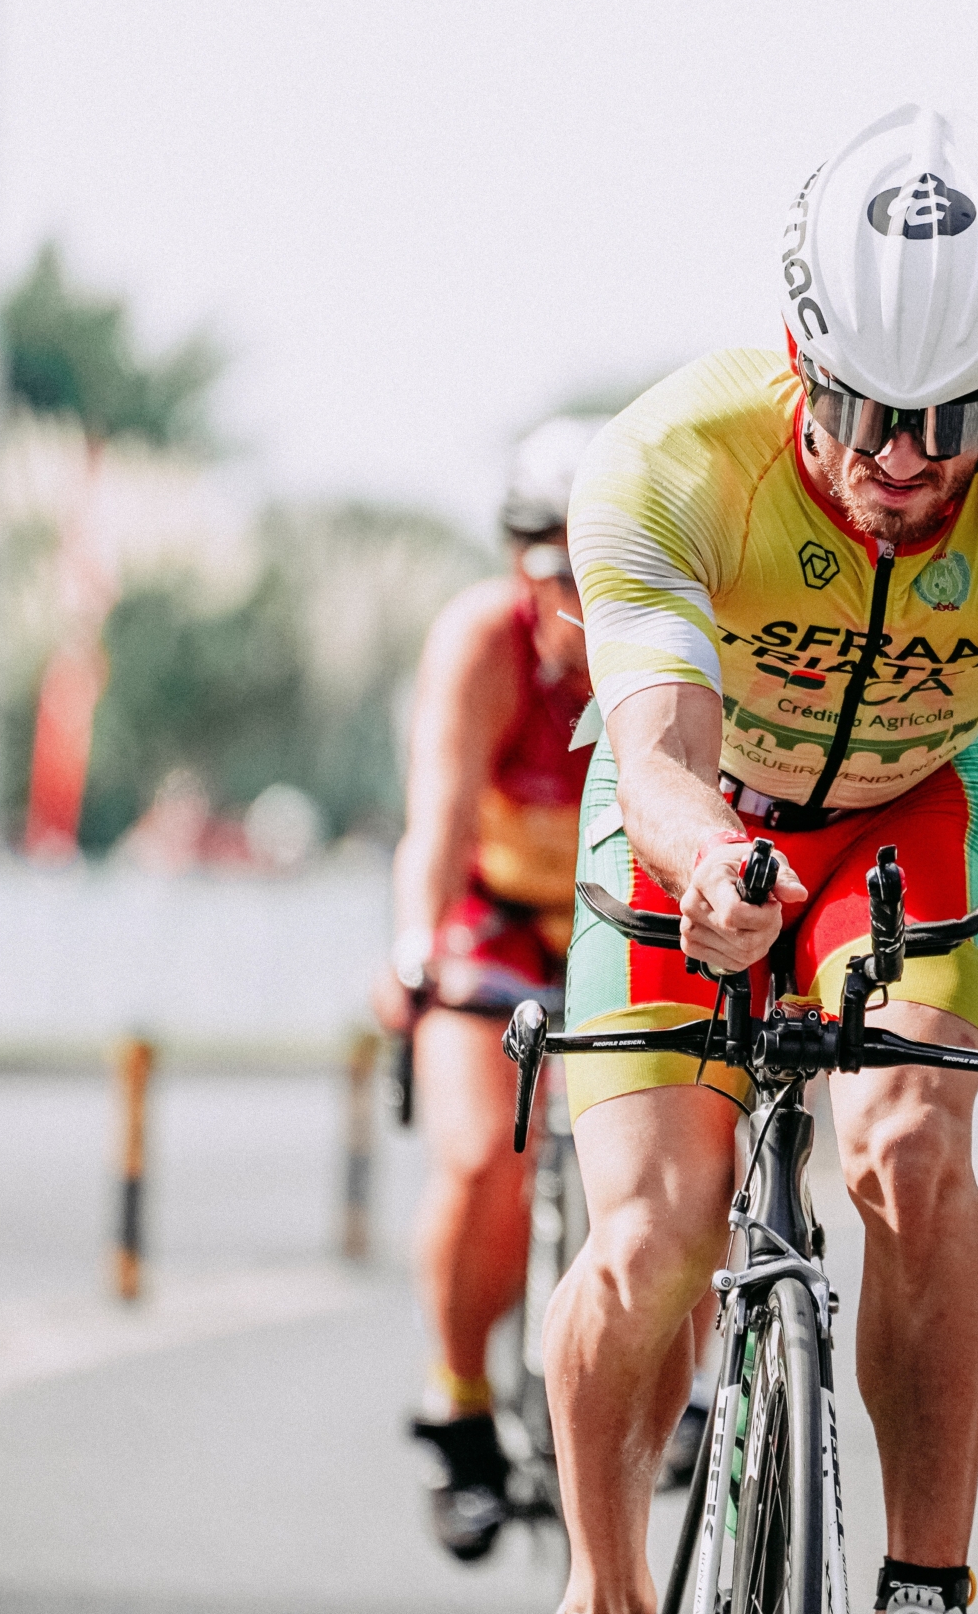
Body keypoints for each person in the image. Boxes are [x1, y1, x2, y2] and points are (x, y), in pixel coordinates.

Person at [554, 105, 978, 1614]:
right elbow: (657, 761)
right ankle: (606, 1582)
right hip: (695, 811)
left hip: (911, 811)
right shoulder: (665, 457)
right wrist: (709, 866)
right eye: (860, 408)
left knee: (907, 1150)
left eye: (951, 422)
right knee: (649, 1233)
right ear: (796, 348)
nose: (901, 460)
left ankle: (924, 1575)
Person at [373, 416, 601, 1561]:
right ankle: (459, 1401)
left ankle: (695, 1370)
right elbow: (440, 815)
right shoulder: (482, 642)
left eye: (599, 565)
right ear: (517, 561)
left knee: (696, 1146)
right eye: (551, 565)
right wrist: (416, 947)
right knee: (479, 1160)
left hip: (621, 919)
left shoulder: (669, 635)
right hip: (496, 918)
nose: (575, 598)